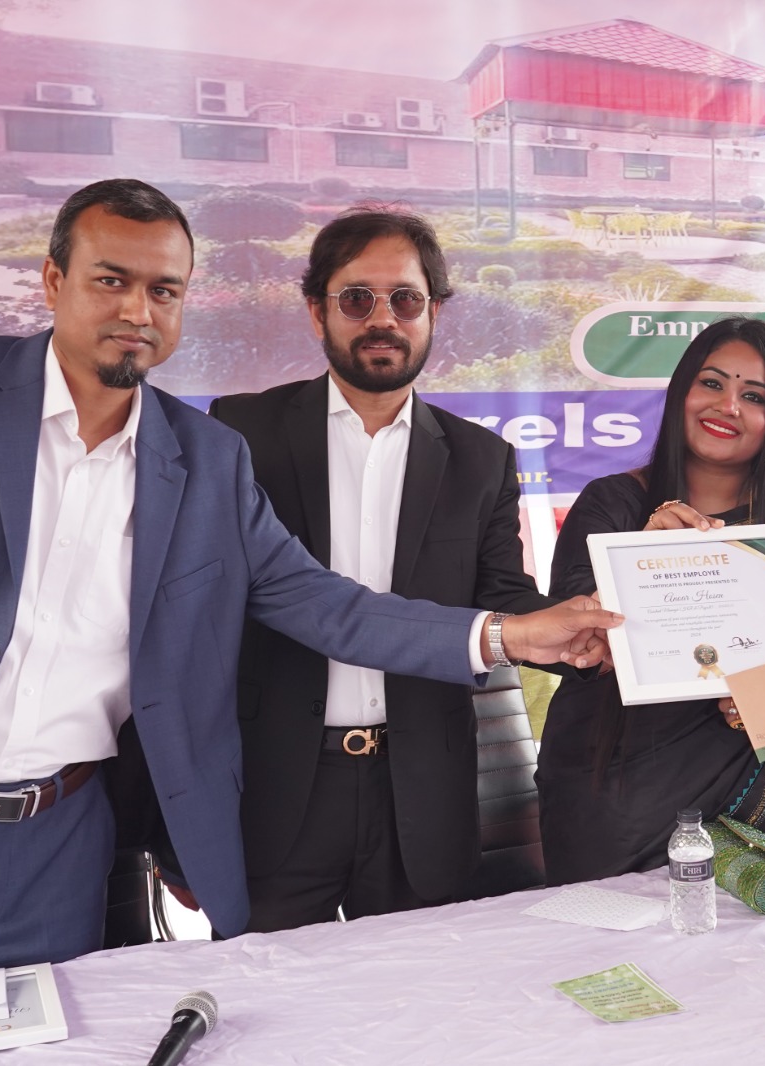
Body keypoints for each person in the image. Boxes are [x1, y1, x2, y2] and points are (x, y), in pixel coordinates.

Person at [0, 179, 617, 999]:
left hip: (58, 852)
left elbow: (323, 604)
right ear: (53, 280)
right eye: (111, 279)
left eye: (164, 290)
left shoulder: (206, 459)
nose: (137, 310)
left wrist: (511, 635)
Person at [207, 206, 554, 929]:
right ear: (316, 310)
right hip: (275, 792)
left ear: (435, 313)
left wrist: (595, 621)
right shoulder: (240, 434)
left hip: (422, 796)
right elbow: (191, 622)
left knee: (416, 991)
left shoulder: (482, 460)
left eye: (406, 299)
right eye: (357, 299)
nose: (383, 319)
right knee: (271, 993)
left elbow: (508, 601)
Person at [536, 316, 765, 885]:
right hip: (619, 793)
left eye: (753, 396)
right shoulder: (612, 504)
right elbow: (576, 643)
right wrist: (645, 557)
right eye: (711, 383)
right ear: (681, 392)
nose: (727, 406)